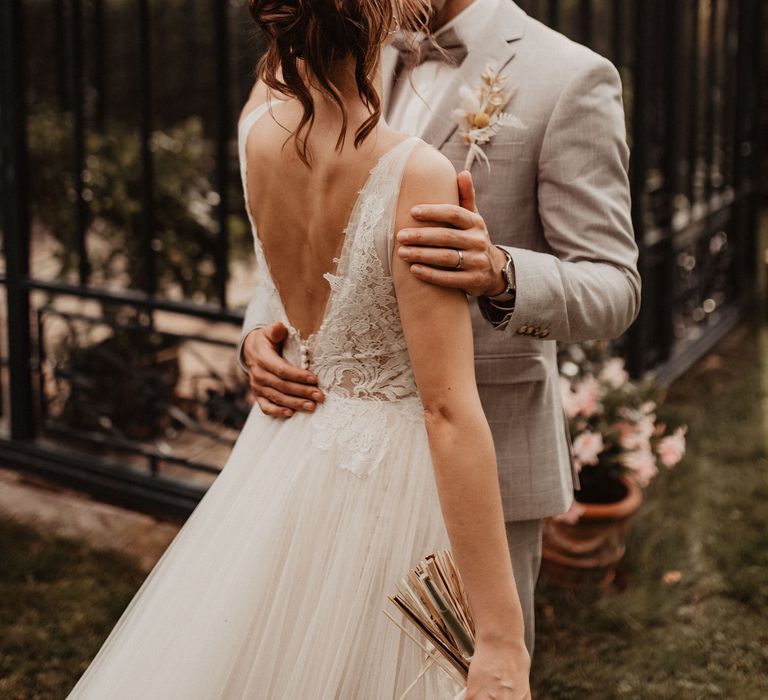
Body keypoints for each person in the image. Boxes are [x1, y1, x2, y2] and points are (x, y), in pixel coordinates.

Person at [65, 1, 532, 698]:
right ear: (381, 14)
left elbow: (286, 288)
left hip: (290, 443)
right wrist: (500, 640)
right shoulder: (418, 173)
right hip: (392, 473)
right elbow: (446, 408)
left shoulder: (256, 123)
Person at [239, 0, 642, 661]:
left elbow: (615, 289)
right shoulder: (348, 36)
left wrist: (500, 272)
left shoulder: (568, 76)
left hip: (488, 460)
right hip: (335, 456)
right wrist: (263, 329)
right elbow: (301, 220)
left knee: (462, 669)